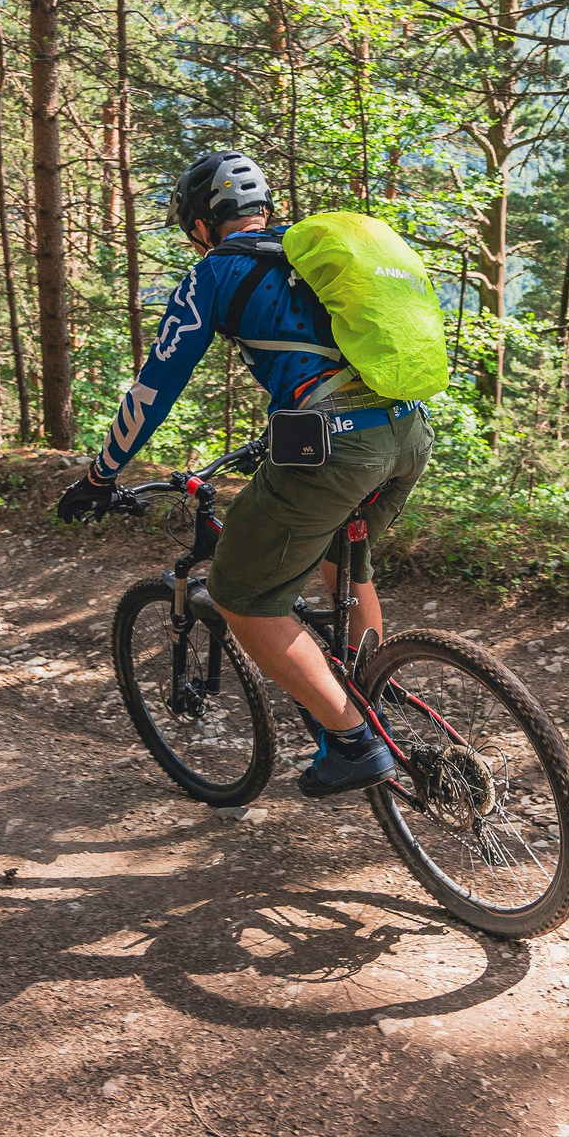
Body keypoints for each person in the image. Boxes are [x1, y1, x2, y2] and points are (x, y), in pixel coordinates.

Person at [59, 150, 435, 798]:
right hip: (409, 430)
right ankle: (373, 689)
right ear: (260, 210)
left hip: (338, 443)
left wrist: (101, 474)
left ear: (202, 224)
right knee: (343, 558)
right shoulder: (307, 256)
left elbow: (154, 388)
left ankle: (352, 738)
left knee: (239, 591)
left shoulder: (216, 272)